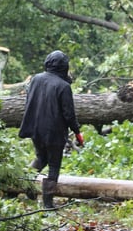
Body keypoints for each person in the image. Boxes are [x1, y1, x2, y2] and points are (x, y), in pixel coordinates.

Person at [19, 50, 84, 209]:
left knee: (41, 157)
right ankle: (48, 204)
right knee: (54, 164)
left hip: (35, 127)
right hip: (54, 132)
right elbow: (69, 114)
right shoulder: (64, 86)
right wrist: (77, 132)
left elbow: (29, 101)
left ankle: (27, 186)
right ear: (64, 66)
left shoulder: (36, 79)